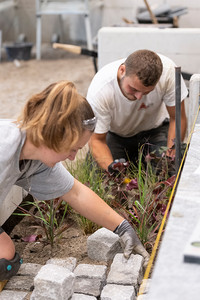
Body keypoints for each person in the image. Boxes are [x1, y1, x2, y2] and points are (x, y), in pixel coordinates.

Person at [0, 80, 149, 281]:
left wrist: (123, 228)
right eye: (73, 149)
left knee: (6, 258)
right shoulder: (4, 147)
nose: (72, 157)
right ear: (55, 135)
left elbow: (75, 193)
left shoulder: (37, 159)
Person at [86, 49, 188, 172]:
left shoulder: (168, 72)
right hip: (116, 136)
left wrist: (170, 156)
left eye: (146, 92)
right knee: (102, 173)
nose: (139, 97)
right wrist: (112, 169)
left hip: (155, 131)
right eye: (133, 89)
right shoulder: (100, 90)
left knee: (173, 170)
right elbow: (96, 139)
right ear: (122, 71)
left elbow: (177, 118)